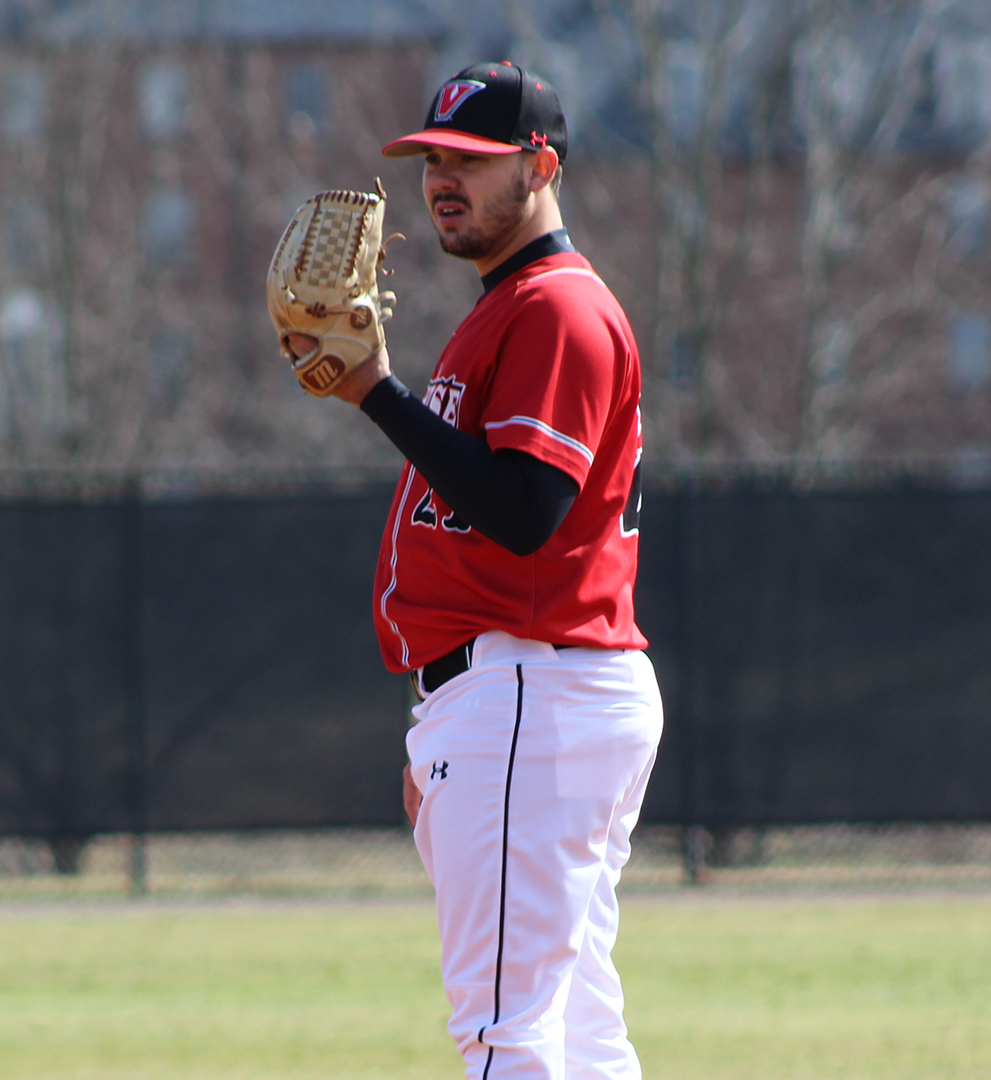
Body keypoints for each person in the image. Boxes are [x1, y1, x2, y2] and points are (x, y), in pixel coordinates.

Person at [291, 61, 661, 1080]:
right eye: (433, 160)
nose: (443, 179)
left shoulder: (557, 309)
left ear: (541, 167)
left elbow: (524, 512)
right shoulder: (510, 309)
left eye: (473, 160)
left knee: (506, 1035)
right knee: (575, 1031)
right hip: (523, 695)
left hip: (530, 689)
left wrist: (377, 391)